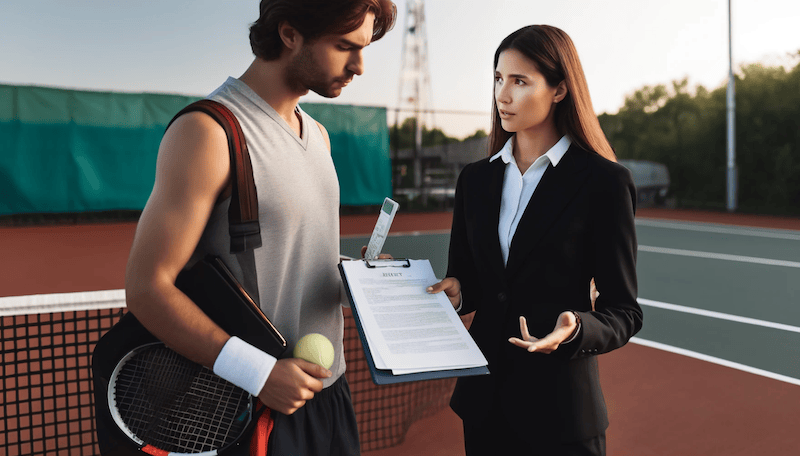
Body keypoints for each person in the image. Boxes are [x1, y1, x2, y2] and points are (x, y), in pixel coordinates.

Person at [124, 1, 396, 455]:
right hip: (247, 407)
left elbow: (296, 257)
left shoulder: (319, 135)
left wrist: (358, 276)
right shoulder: (207, 131)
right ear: (290, 34)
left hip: (329, 396)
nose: (360, 66)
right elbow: (147, 287)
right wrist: (259, 373)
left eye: (363, 48)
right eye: (345, 46)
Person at [427, 25, 643, 455]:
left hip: (563, 414)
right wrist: (457, 290)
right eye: (498, 79)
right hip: (485, 406)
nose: (502, 95)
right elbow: (469, 280)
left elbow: (624, 311)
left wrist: (577, 328)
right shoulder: (475, 180)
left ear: (560, 89)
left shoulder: (604, 182)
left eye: (519, 81)